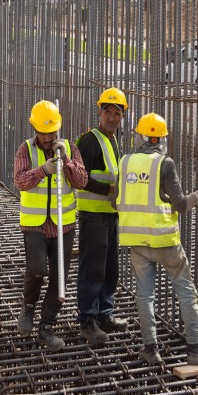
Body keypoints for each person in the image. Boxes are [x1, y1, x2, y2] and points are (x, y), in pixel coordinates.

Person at [115, 112, 198, 367]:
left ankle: (151, 348)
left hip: (136, 241)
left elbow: (116, 200)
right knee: (186, 291)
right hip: (165, 241)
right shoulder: (164, 164)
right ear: (161, 139)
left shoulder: (124, 162)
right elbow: (181, 204)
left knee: (144, 296)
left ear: (141, 137)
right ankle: (195, 348)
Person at [13, 100, 88, 352]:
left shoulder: (69, 148)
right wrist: (43, 170)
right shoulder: (25, 150)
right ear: (35, 128)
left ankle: (47, 325)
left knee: (59, 279)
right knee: (37, 270)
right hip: (34, 224)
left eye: (52, 131)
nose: (48, 137)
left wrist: (66, 162)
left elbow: (81, 181)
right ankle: (28, 307)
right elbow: (20, 181)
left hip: (63, 225)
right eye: (44, 132)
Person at [74, 87, 129, 346]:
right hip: (93, 215)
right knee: (92, 269)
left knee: (110, 268)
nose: (112, 118)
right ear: (100, 113)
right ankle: (87, 319)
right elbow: (79, 178)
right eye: (108, 112)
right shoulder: (90, 140)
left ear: (122, 117)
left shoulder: (112, 140)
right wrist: (108, 189)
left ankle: (105, 313)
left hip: (110, 215)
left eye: (116, 113)